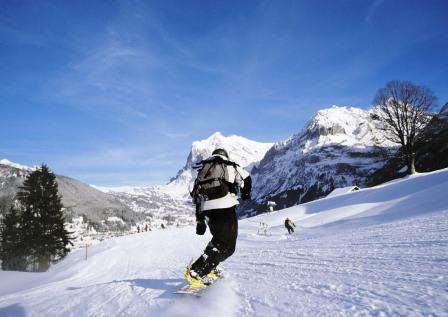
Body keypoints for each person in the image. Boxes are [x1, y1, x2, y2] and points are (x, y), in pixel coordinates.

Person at [187, 148, 252, 285]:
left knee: (218, 240)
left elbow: (197, 198)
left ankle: (210, 265)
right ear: (225, 156)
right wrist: (246, 195)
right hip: (225, 208)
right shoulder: (229, 165)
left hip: (208, 212)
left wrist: (200, 221)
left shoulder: (203, 171)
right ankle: (197, 271)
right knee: (228, 246)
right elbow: (247, 178)